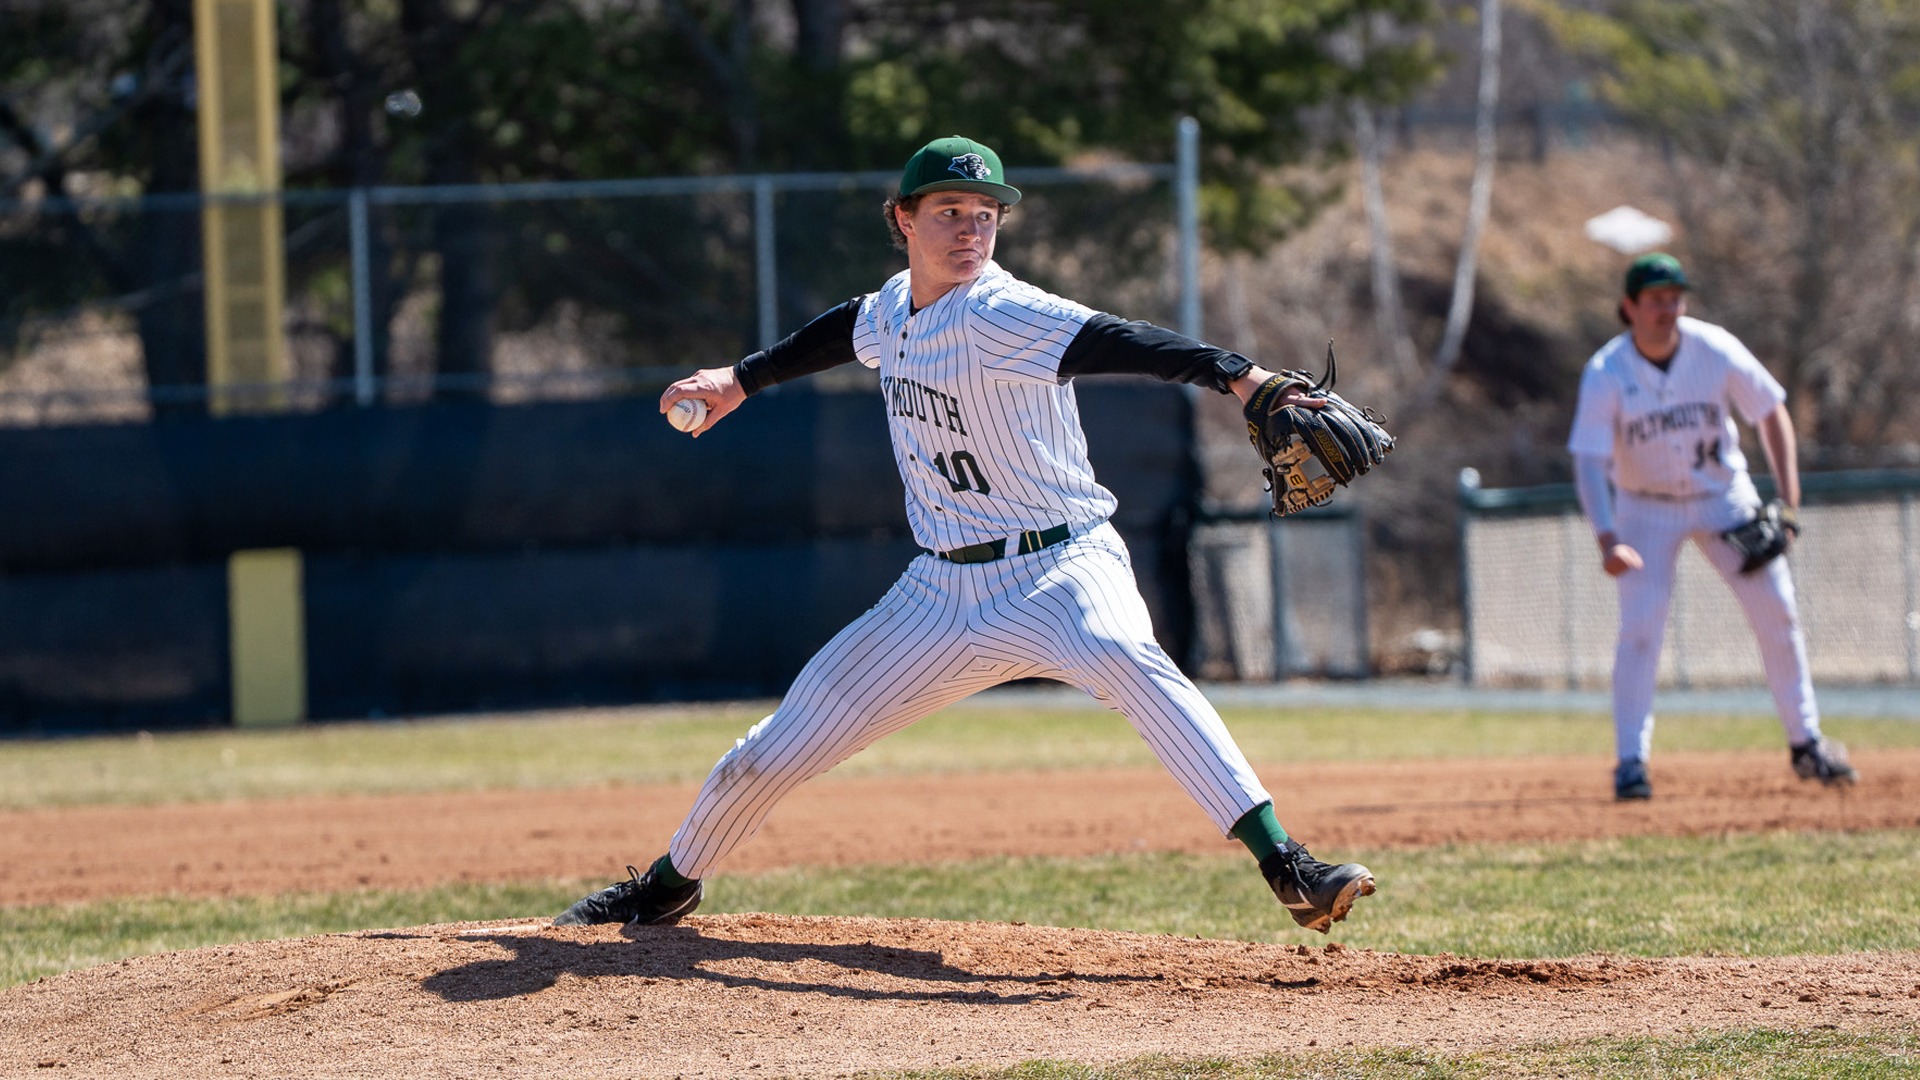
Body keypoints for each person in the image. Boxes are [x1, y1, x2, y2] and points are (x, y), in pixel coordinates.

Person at [554, 135, 1375, 933]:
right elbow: (846, 328)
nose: (971, 230)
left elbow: (1120, 339)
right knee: (768, 753)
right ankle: (665, 888)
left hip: (1062, 566)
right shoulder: (894, 309)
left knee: (1130, 660)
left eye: (986, 213)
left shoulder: (1002, 309)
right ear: (903, 218)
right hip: (940, 591)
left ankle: (1288, 867)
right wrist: (740, 379)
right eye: (950, 210)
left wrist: (1242, 376)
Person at [1565, 252, 1857, 800]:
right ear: (1629, 307)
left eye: (1675, 298)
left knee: (1778, 611)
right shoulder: (1607, 372)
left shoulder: (1714, 348)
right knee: (1641, 629)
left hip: (1723, 497)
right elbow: (1588, 460)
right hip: (1645, 506)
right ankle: (1631, 762)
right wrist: (1607, 536)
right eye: (1655, 299)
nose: (1667, 309)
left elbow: (1770, 411)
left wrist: (1787, 503)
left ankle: (1806, 743)